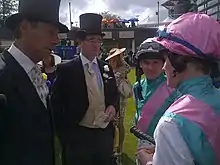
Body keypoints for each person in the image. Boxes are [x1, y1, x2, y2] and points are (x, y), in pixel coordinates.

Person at [139, 12, 220, 165]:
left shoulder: (172, 123)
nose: (164, 67)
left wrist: (149, 162)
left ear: (179, 61)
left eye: (166, 59)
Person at [0, 0, 68, 165]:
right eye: (51, 32)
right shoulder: (2, 75)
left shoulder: (36, 70)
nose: (56, 41)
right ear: (24, 27)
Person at [51, 13, 119, 165]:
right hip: (79, 138)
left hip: (103, 136)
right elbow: (56, 105)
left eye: (99, 40)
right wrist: (66, 137)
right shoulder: (67, 69)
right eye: (91, 40)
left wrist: (113, 107)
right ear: (80, 42)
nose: (96, 45)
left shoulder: (105, 67)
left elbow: (115, 95)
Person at [133, 38, 177, 165]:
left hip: (164, 145)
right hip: (142, 142)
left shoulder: (172, 87)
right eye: (146, 62)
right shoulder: (137, 86)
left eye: (155, 62)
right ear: (140, 64)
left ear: (163, 64)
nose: (150, 67)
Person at [105, 47, 132, 155]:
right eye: (111, 58)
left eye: (114, 57)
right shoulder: (108, 67)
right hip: (111, 98)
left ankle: (119, 147)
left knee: (119, 123)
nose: (112, 60)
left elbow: (127, 68)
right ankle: (112, 146)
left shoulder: (123, 67)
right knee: (111, 123)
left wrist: (120, 56)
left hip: (120, 98)